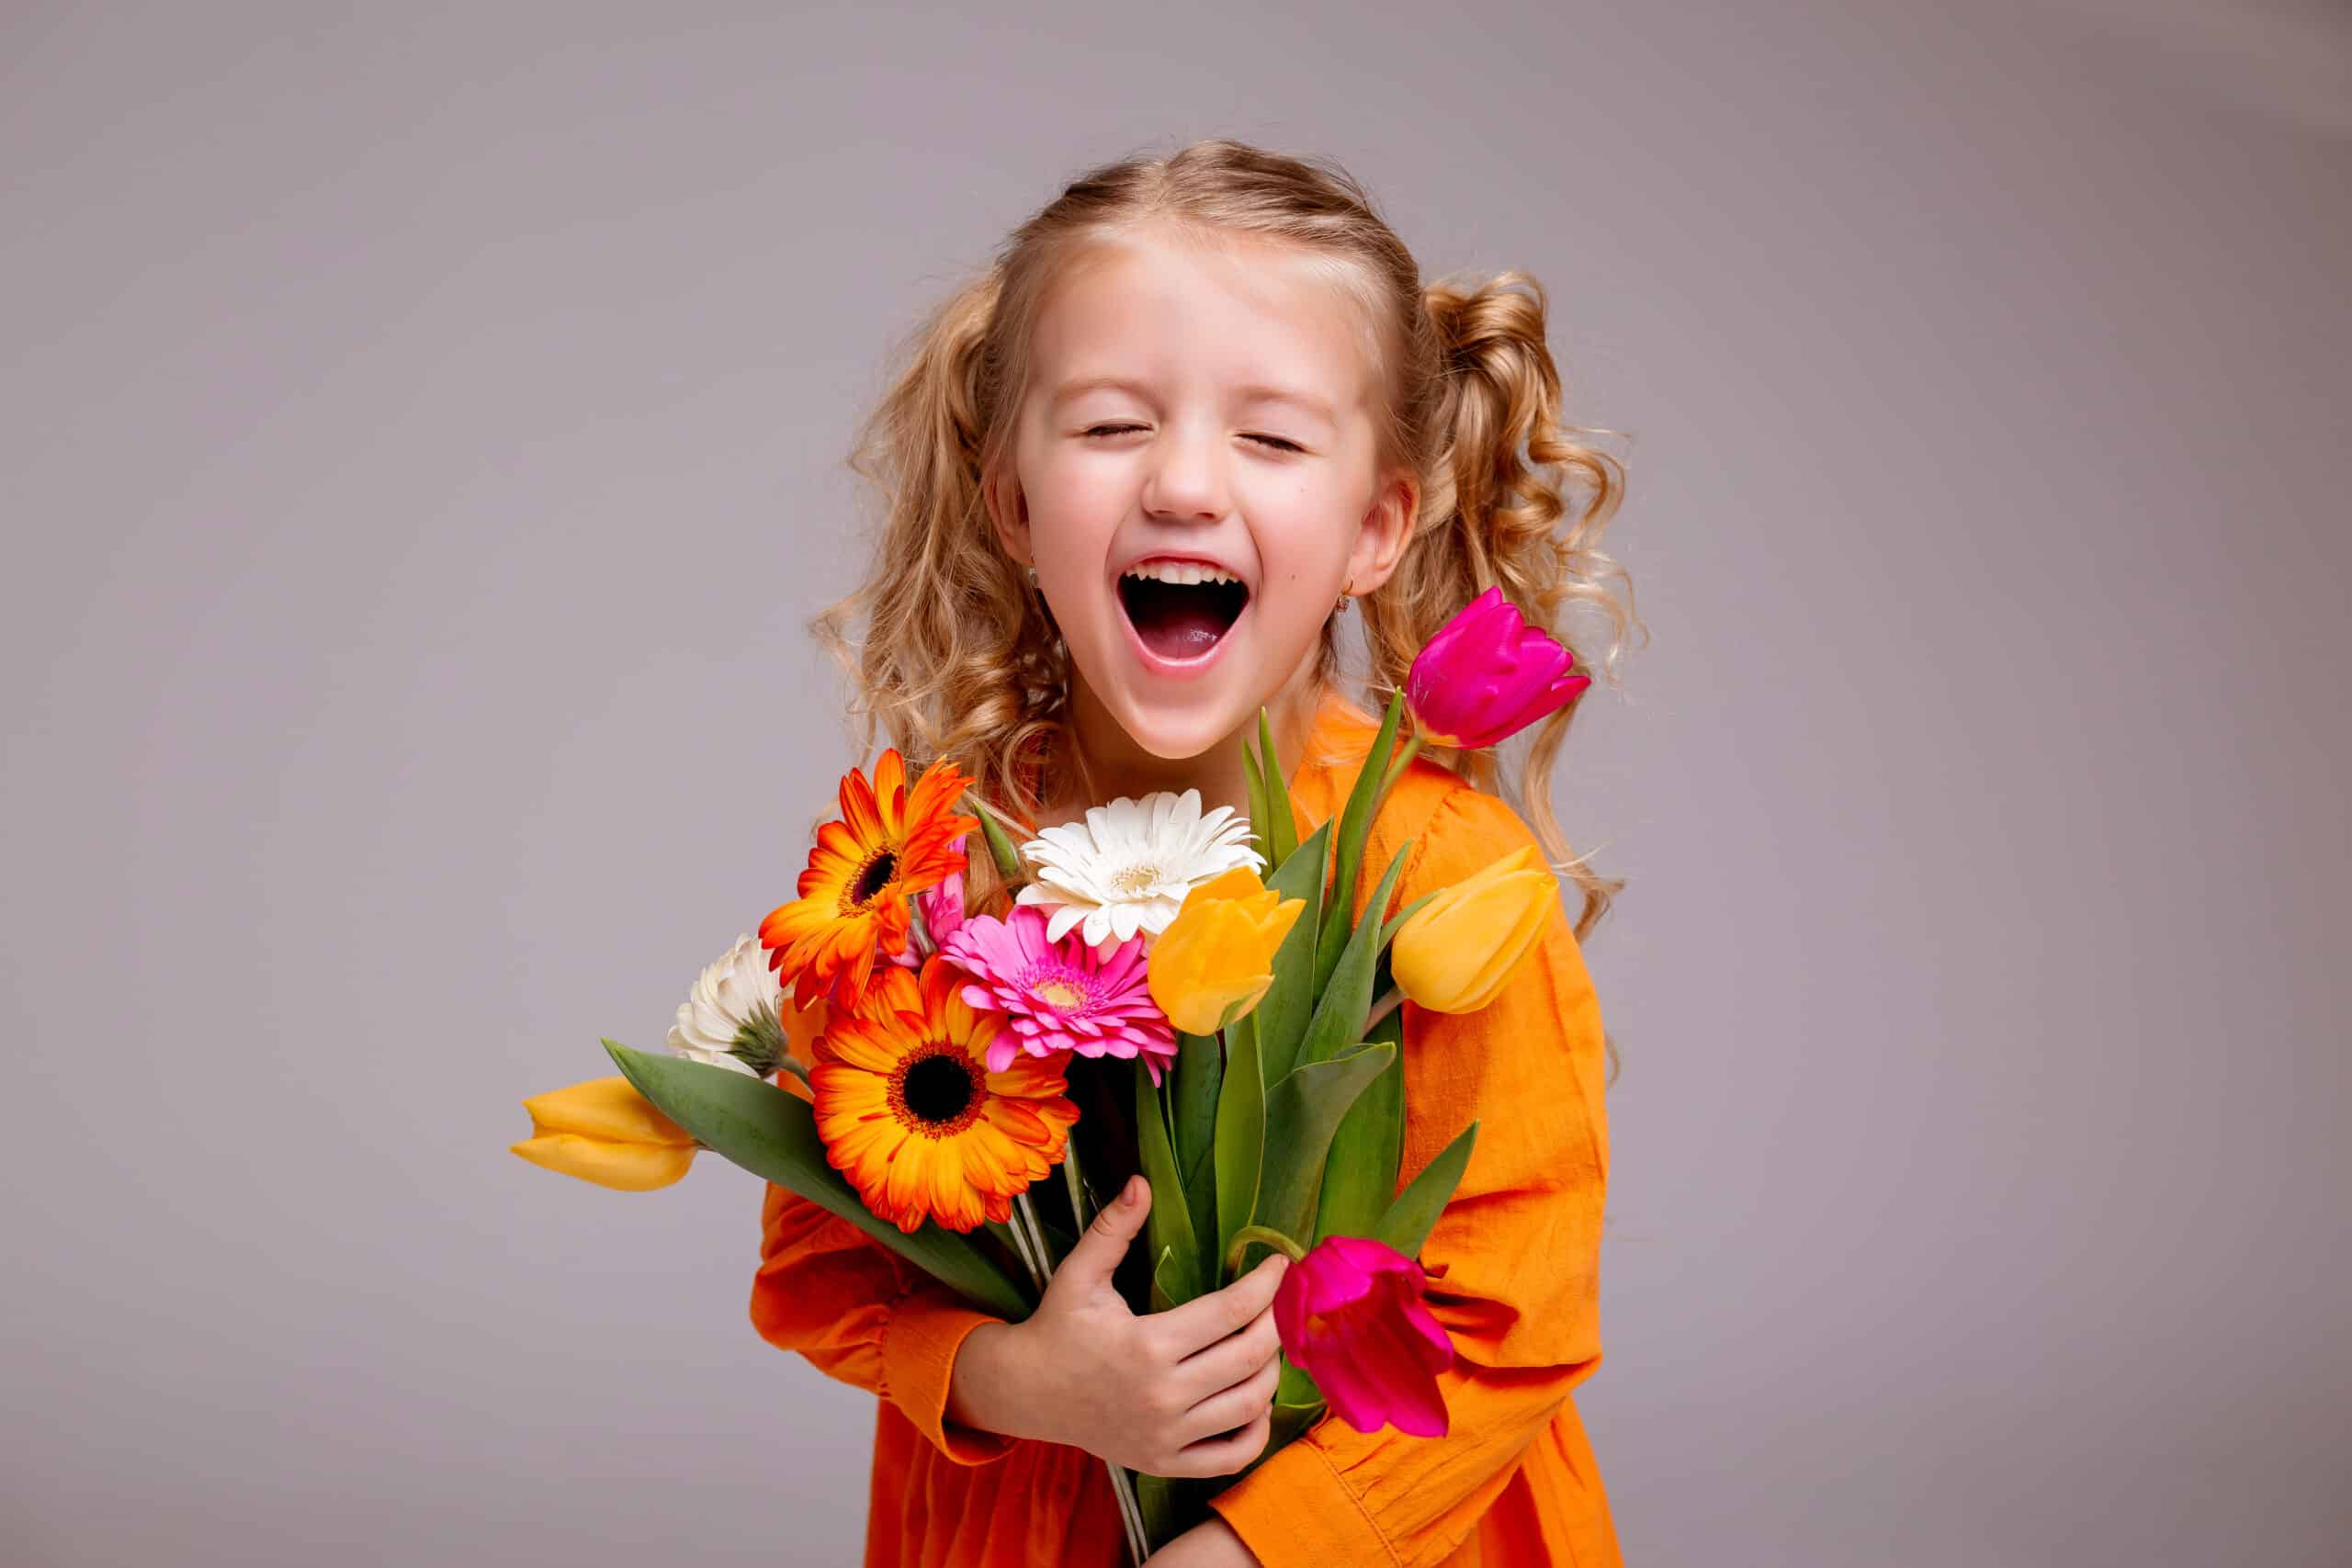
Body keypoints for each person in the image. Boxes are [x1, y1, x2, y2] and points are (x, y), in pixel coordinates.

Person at [750, 137, 1640, 1567]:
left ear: (1374, 527)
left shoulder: (1441, 876)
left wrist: (1246, 1550)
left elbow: (1513, 1321)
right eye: (1111, 427)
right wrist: (1015, 1379)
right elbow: (820, 1268)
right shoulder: (932, 867)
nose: (1180, 484)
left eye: (1271, 438)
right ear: (1014, 504)